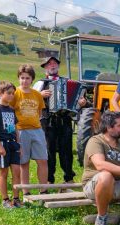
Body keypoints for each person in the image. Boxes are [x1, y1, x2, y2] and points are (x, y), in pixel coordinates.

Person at [39, 56, 88, 185]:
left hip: (65, 119)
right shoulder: (40, 83)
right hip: (48, 120)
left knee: (66, 149)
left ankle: (69, 177)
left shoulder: (67, 81)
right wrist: (40, 95)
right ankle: (49, 179)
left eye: (54, 63)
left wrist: (82, 102)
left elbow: (81, 99)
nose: (52, 65)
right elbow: (30, 98)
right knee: (49, 150)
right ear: (45, 67)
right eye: (49, 64)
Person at [10, 64, 48, 195]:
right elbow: (10, 112)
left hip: (37, 130)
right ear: (18, 78)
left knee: (42, 160)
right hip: (21, 130)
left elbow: (39, 112)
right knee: (23, 162)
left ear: (32, 80)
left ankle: (43, 190)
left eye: (27, 78)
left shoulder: (37, 94)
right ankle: (26, 191)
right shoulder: (14, 94)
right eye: (22, 78)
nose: (24, 81)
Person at [0, 81, 22, 209]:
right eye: (8, 93)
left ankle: (16, 199)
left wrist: (19, 145)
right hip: (2, 144)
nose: (11, 96)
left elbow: (16, 128)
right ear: (1, 93)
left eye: (13, 94)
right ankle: (5, 200)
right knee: (4, 172)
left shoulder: (11, 110)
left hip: (13, 144)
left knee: (16, 172)